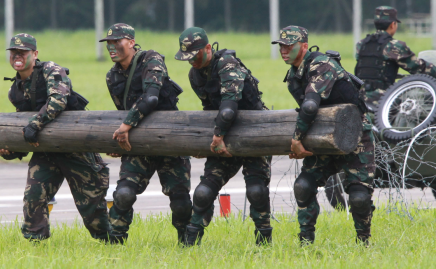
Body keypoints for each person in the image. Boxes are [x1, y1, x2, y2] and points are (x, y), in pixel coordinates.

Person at [0, 33, 113, 241]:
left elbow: (59, 99)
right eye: (13, 52)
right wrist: (13, 150)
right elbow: (26, 132)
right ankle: (37, 247)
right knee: (33, 196)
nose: (17, 56)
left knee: (92, 210)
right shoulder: (15, 90)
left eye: (23, 52)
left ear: (34, 54)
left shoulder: (51, 70)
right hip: (46, 152)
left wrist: (34, 125)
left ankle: (112, 243)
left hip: (75, 148)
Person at [272, 26, 376, 245]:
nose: (283, 50)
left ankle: (364, 242)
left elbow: (310, 106)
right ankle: (306, 242)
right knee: (304, 185)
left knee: (358, 196)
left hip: (354, 133)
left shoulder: (322, 65)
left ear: (304, 46)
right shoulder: (294, 74)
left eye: (288, 46)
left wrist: (297, 139)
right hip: (326, 135)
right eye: (281, 45)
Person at [175, 27, 272, 246]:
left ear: (208, 48)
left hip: (252, 133)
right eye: (187, 58)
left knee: (256, 190)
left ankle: (265, 243)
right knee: (203, 192)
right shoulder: (195, 74)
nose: (191, 61)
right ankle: (190, 243)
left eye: (195, 55)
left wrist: (217, 136)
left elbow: (229, 106)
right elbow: (210, 109)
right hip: (224, 135)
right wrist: (205, 142)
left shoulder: (228, 65)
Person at [100, 23, 192, 245]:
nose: (111, 47)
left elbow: (151, 97)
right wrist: (119, 139)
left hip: (169, 140)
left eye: (117, 42)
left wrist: (125, 126)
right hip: (139, 144)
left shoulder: (151, 60)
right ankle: (115, 245)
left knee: (180, 200)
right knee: (123, 194)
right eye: (109, 43)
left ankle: (187, 244)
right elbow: (123, 111)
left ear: (131, 43)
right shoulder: (112, 76)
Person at [355, 6, 436, 111]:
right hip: (383, 100)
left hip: (359, 98)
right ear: (393, 24)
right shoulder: (394, 46)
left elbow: (373, 67)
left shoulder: (361, 44)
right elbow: (418, 67)